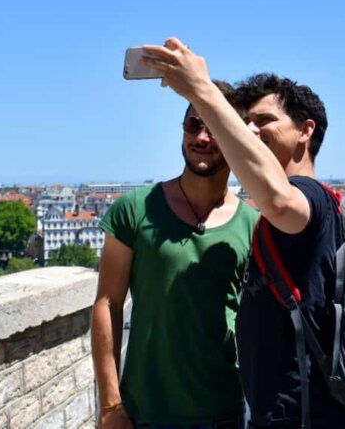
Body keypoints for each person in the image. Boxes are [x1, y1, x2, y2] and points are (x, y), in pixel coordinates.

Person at [142, 39, 345, 429]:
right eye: (247, 122)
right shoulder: (321, 204)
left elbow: (278, 201)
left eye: (264, 121)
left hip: (304, 416)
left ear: (304, 131)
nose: (250, 130)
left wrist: (202, 89)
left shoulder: (306, 198)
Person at [90, 80, 259, 429]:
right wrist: (110, 405)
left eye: (215, 128)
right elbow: (107, 303)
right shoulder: (135, 209)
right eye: (194, 125)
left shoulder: (252, 225)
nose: (201, 138)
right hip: (146, 413)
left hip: (223, 413)